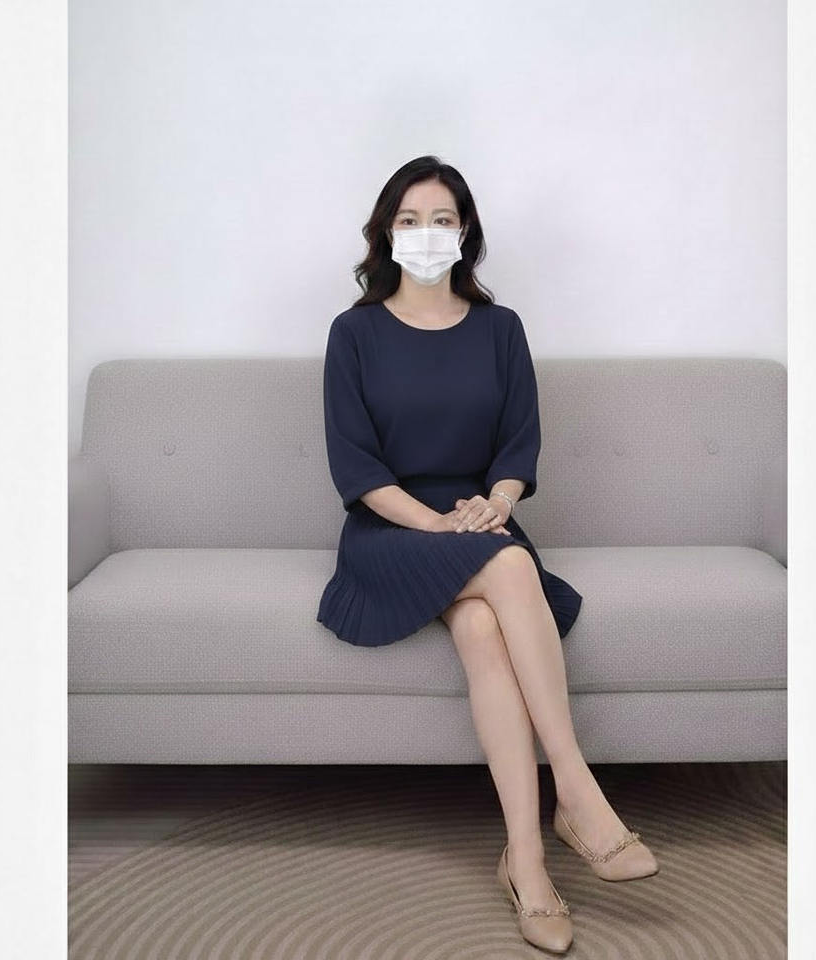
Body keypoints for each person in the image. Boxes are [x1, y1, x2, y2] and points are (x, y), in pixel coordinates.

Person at [316, 156, 658, 953]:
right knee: (507, 565)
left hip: (480, 516)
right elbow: (356, 467)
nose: (425, 234)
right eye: (408, 220)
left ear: (465, 232)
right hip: (391, 529)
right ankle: (576, 789)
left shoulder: (501, 329)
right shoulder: (353, 333)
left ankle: (526, 861)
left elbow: (518, 443)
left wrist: (497, 504)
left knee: (480, 626)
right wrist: (438, 527)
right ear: (385, 233)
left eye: (441, 220)